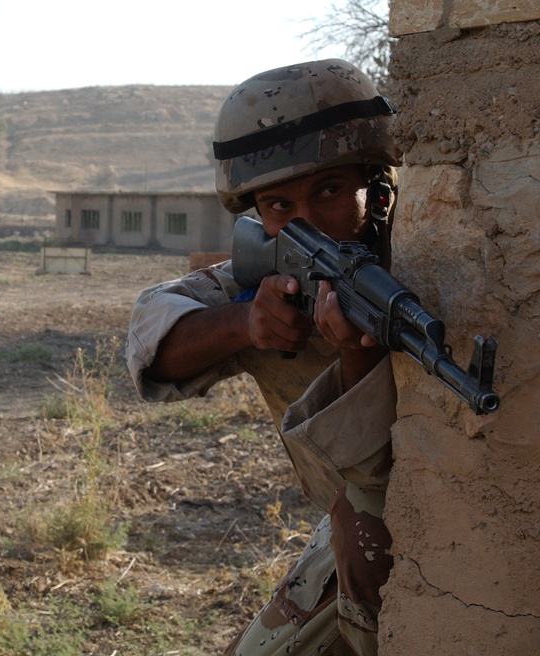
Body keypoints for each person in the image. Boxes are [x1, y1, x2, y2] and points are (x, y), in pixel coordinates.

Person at [126, 59, 402, 656]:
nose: (302, 223)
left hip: (408, 522)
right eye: (278, 206)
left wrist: (359, 358)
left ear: (376, 191)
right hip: (346, 525)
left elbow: (390, 478)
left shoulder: (424, 270)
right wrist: (246, 323)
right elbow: (150, 335)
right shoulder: (271, 277)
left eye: (328, 192)